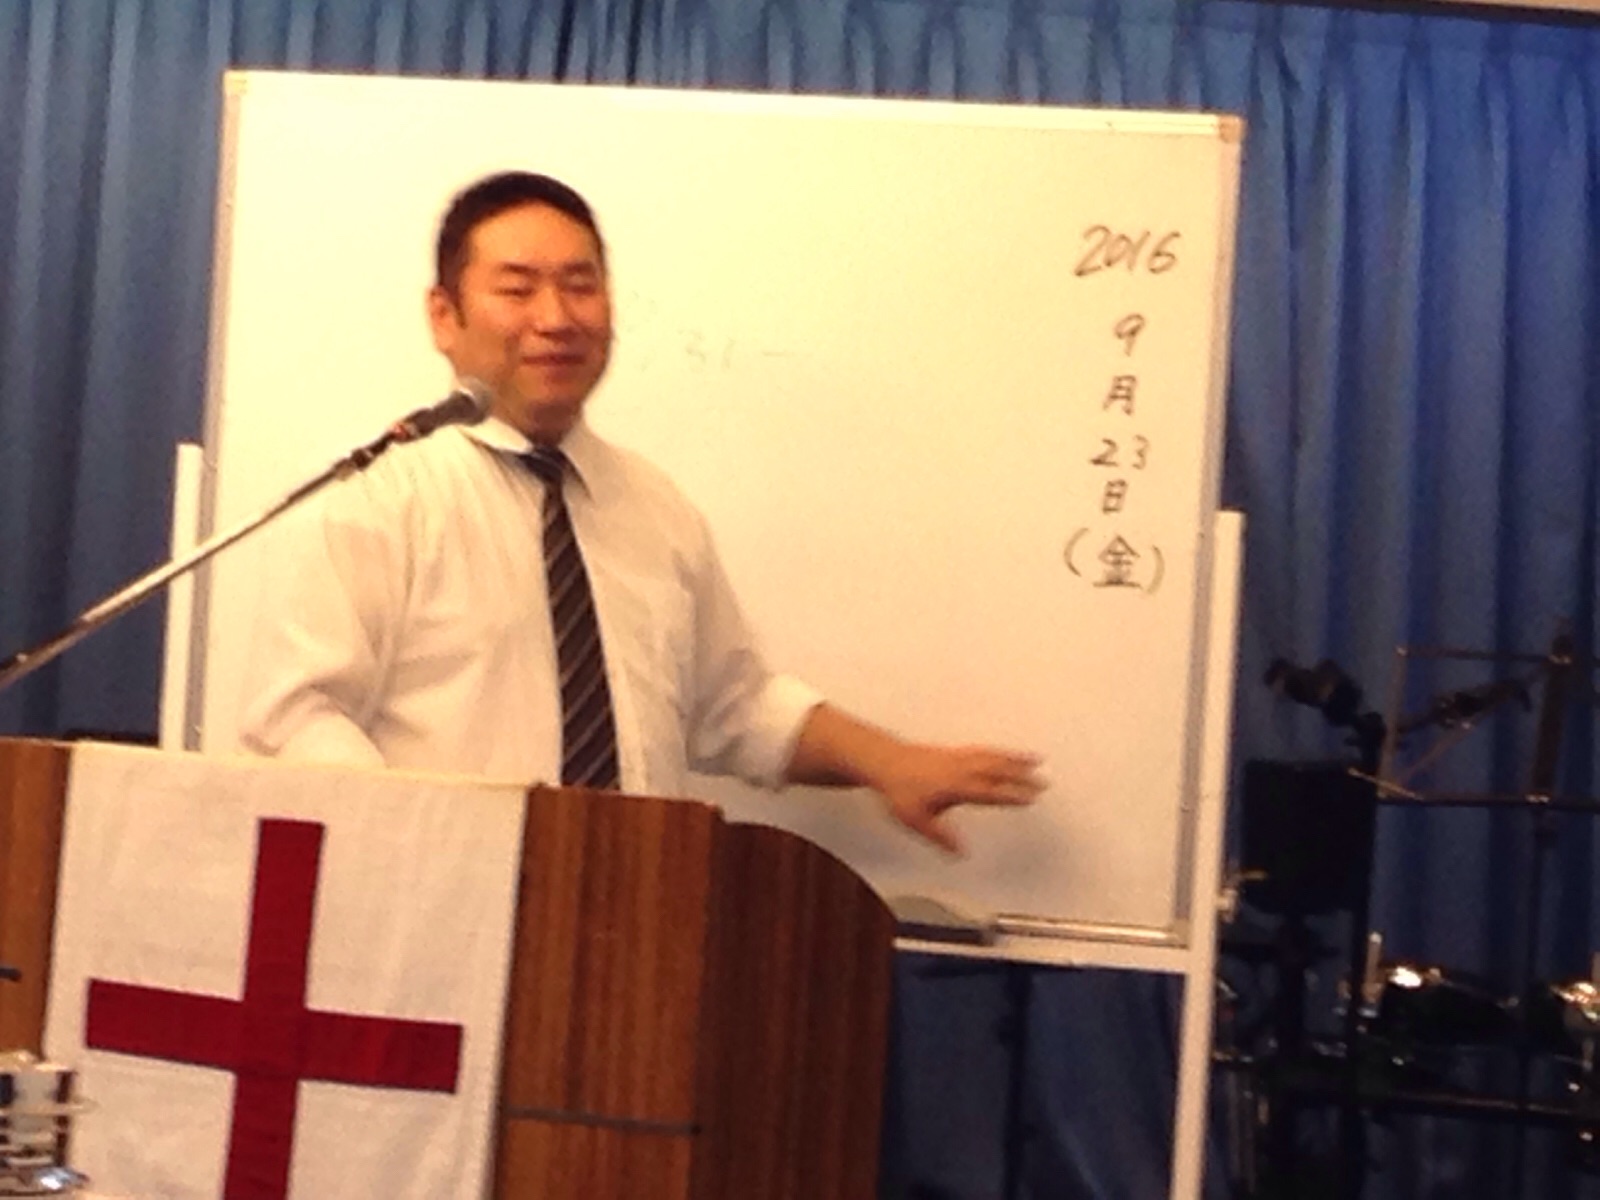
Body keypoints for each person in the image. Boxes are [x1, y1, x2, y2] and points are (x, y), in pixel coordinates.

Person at [239, 170, 1043, 854]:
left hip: (639, 920)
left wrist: (889, 762)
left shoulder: (653, 508)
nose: (556, 318)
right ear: (444, 316)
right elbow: (299, 715)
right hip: (442, 923)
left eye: (580, 285)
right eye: (517, 289)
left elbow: (731, 704)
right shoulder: (374, 496)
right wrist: (420, 848)